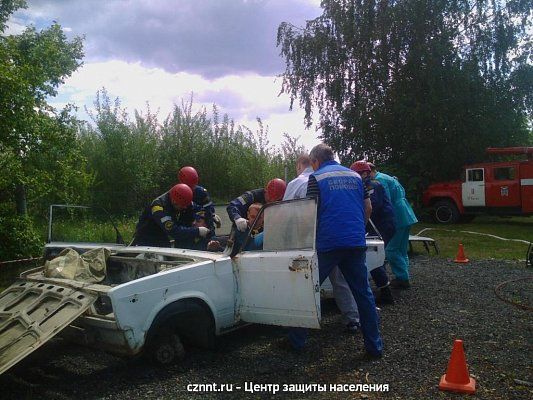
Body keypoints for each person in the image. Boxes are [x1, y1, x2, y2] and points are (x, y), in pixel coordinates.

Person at [287, 144, 383, 358]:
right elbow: (368, 208)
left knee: (307, 290)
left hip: (328, 244)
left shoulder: (316, 178)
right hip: (355, 242)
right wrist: (357, 229)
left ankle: (296, 342)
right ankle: (374, 346)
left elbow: (310, 214)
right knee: (363, 294)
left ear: (315, 161)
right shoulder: (357, 177)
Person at [283, 153, 360, 331]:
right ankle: (352, 319)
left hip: (305, 239)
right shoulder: (341, 176)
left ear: (299, 166)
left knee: (305, 281)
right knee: (340, 280)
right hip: (337, 236)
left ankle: (300, 326)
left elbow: (285, 212)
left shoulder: (297, 182)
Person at [351, 161, 396, 304]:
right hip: (379, 224)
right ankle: (383, 288)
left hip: (383, 225)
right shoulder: (369, 184)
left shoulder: (372, 185)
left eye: (357, 174)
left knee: (373, 255)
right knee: (374, 255)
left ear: (365, 173)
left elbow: (371, 206)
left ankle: (386, 292)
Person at [369, 163, 418, 288]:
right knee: (401, 249)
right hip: (406, 214)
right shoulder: (388, 177)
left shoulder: (379, 180)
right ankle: (403, 275)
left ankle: (402, 278)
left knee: (391, 249)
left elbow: (385, 200)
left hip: (397, 215)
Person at [132, 184, 210, 247]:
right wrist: (197, 231)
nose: (185, 208)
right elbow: (173, 231)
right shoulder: (158, 208)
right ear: (174, 201)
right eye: (182, 206)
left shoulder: (181, 199)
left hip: (162, 236)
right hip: (146, 240)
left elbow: (196, 208)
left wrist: (206, 215)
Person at [178, 166, 220, 230]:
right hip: (185, 220)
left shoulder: (201, 192)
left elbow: (208, 208)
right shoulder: (178, 192)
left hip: (201, 219)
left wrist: (213, 215)